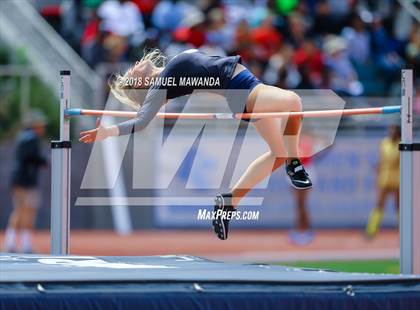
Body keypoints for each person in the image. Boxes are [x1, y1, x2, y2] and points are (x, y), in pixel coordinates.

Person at [79, 49, 312, 240]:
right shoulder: (163, 82)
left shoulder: (169, 75)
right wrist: (109, 131)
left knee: (277, 153)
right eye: (133, 69)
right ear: (140, 82)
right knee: (293, 101)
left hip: (247, 87)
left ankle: (228, 203)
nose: (136, 62)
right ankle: (295, 164)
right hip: (242, 89)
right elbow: (142, 121)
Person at [4, 110, 48, 253]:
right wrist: (43, 161)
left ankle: (11, 243)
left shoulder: (22, 136)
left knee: (19, 211)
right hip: (26, 181)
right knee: (28, 211)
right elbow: (30, 157)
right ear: (35, 125)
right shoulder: (31, 138)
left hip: (19, 179)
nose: (43, 128)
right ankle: (26, 245)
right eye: (41, 125)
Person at [365, 125, 400, 239]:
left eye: (393, 130)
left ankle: (403, 230)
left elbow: (396, 161)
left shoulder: (402, 144)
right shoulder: (384, 143)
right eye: (390, 130)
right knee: (379, 204)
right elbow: (383, 159)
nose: (391, 132)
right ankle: (371, 231)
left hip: (397, 179)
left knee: (399, 206)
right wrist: (378, 167)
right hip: (384, 178)